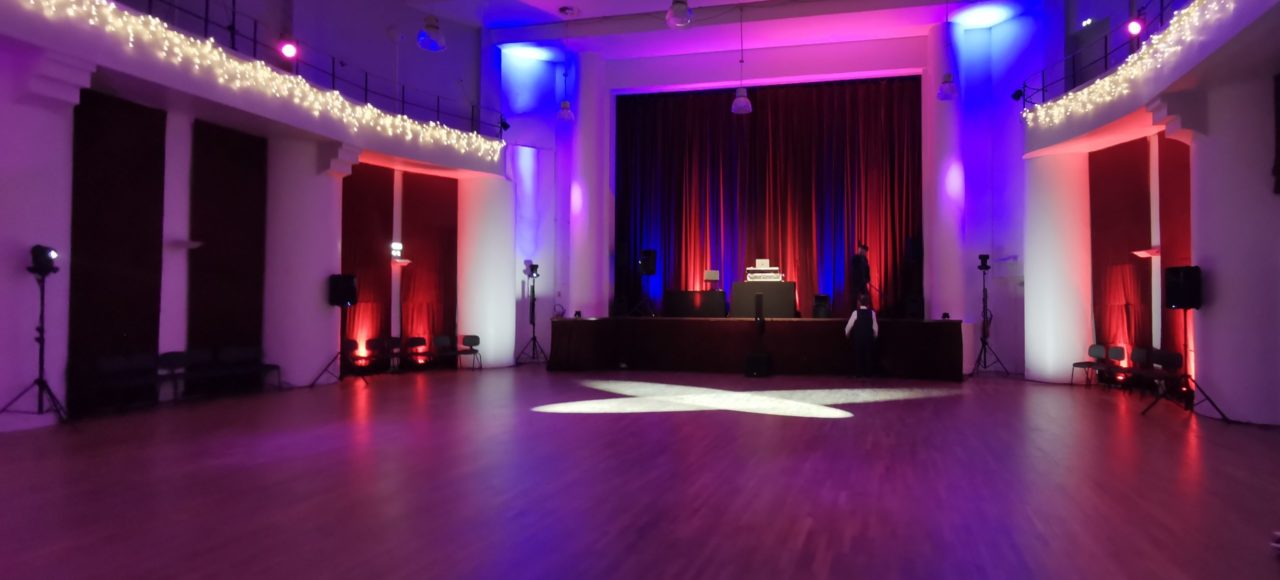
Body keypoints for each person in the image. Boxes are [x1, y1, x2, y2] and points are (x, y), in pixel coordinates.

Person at [844, 293, 878, 377]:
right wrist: (874, 337)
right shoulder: (872, 313)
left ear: (859, 302)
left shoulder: (855, 313)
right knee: (868, 355)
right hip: (868, 338)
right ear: (868, 303)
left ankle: (859, 373)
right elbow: (875, 328)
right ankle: (868, 373)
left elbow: (848, 326)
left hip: (858, 338)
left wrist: (847, 334)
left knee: (859, 356)